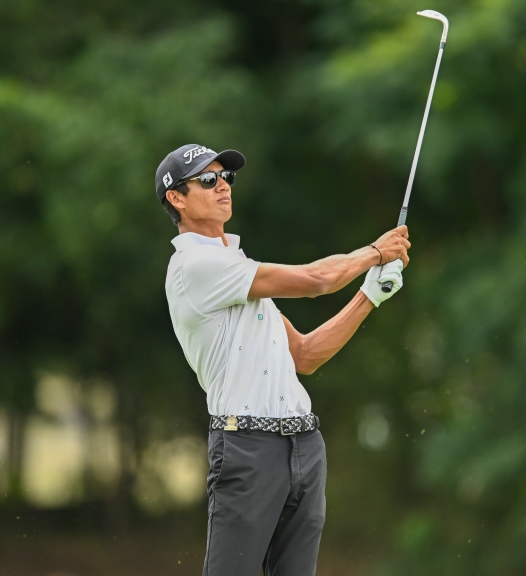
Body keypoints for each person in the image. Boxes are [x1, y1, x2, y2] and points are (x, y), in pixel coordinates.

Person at [156, 144, 410, 576]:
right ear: (176, 199)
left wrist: (368, 296)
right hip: (246, 448)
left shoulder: (235, 267)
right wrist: (375, 251)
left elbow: (305, 355)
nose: (222, 186)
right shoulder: (196, 265)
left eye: (226, 177)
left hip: (304, 447)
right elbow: (315, 280)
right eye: (207, 179)